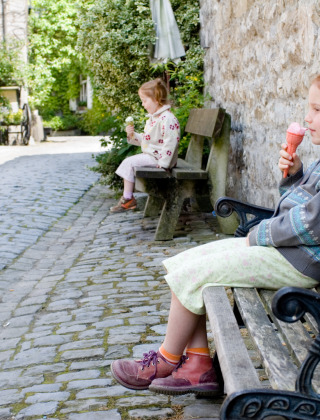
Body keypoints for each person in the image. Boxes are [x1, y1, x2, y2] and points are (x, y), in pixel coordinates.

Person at [110, 74, 320, 396]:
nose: (307, 117)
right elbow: (302, 206)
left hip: (297, 261)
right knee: (183, 263)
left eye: (317, 109)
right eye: (310, 108)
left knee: (196, 273)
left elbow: (309, 224)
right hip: (288, 252)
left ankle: (167, 359)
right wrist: (294, 177)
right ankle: (197, 363)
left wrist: (258, 235)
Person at [110, 78, 180, 213]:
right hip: (154, 156)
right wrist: (133, 135)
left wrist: (164, 163)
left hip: (158, 159)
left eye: (144, 100)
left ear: (156, 99)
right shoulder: (154, 118)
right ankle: (127, 198)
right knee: (129, 163)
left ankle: (128, 199)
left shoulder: (167, 118)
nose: (143, 104)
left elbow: (171, 142)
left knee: (129, 162)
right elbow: (147, 140)